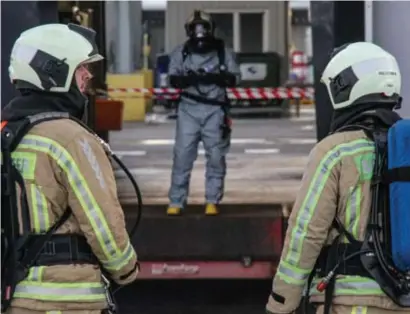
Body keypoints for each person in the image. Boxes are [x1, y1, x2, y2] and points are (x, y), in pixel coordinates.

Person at [1, 23, 139, 314]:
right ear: (55, 71)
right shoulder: (71, 138)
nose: (88, 76)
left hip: (12, 296)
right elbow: (102, 221)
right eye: (81, 68)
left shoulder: (5, 133)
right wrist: (125, 269)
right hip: (65, 300)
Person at [266, 42, 410, 314]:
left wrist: (281, 303)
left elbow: (306, 233)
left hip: (352, 303)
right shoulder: (407, 149)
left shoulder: (335, 151)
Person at [166, 10, 241, 216]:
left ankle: (212, 199)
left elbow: (234, 78)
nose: (199, 32)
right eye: (195, 28)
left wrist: (217, 78)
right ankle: (176, 200)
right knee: (182, 156)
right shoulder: (181, 52)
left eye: (203, 27)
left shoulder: (223, 52)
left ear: (210, 29)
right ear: (189, 30)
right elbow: (173, 78)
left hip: (215, 110)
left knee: (216, 156)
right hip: (188, 110)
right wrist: (188, 80)